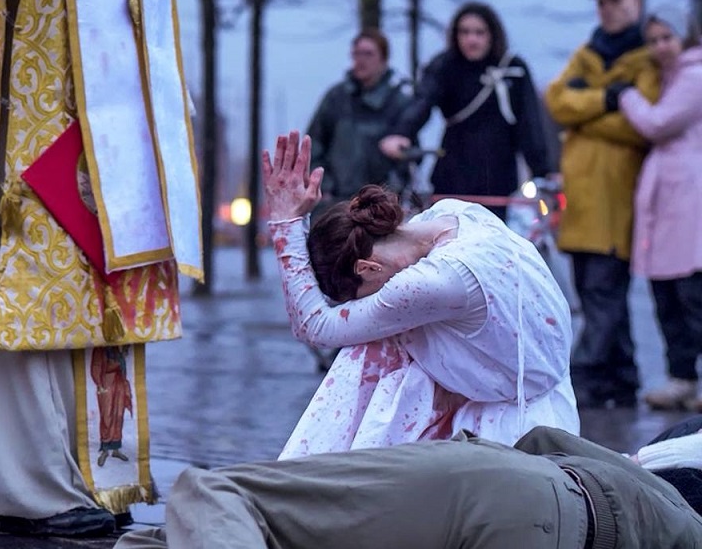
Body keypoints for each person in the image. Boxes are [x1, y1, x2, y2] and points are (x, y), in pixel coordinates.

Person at [0, 0, 201, 538]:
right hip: (32, 124)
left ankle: (88, 481)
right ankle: (27, 487)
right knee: (25, 296)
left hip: (97, 109)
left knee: (85, 298)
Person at [263, 131, 577, 458]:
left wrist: (286, 222)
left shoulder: (429, 282)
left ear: (366, 268)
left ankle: (330, 470)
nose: (365, 305)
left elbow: (315, 326)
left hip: (511, 433)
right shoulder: (455, 214)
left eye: (359, 298)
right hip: (541, 406)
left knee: (371, 347)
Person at [114, 419, 702, 548]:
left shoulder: (665, 492)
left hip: (508, 489)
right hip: (519, 500)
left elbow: (545, 439)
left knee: (206, 494)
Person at [544, 0, 661, 409]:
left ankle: (586, 376)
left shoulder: (648, 60)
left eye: (615, 1)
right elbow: (557, 101)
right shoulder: (587, 53)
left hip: (615, 199)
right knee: (596, 291)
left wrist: (584, 115)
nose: (606, 10)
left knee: (602, 292)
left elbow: (640, 124)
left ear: (635, 3)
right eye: (602, 3)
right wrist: (607, 100)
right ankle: (622, 378)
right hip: (581, 201)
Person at [379, 1, 552, 219]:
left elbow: (530, 124)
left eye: (479, 32)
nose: (472, 39)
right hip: (453, 175)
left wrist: (543, 171)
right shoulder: (444, 66)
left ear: (492, 35)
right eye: (465, 32)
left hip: (498, 178)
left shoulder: (514, 69)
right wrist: (402, 133)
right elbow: (423, 101)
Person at [617, 8, 702, 411]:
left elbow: (657, 123)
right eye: (652, 40)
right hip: (668, 203)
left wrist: (626, 95)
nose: (660, 47)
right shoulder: (667, 78)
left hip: (690, 202)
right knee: (667, 298)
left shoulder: (695, 76)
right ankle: (681, 377)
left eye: (667, 37)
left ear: (685, 37)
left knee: (692, 297)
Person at [306, 28, 412, 218]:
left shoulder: (398, 102)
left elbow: (409, 153)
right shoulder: (336, 98)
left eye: (368, 54)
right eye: (356, 54)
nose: (361, 60)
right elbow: (314, 145)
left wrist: (394, 193)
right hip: (336, 203)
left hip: (380, 208)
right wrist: (324, 187)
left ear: (383, 59)